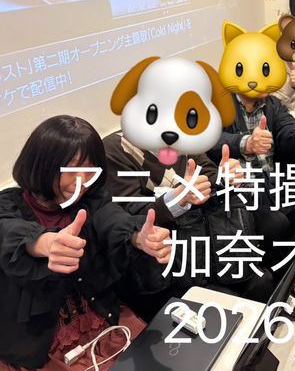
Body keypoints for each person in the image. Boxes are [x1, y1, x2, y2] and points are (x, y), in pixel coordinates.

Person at [0, 115, 172, 370]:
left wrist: (139, 238)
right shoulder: (9, 204)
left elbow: (112, 219)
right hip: (43, 340)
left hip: (101, 317)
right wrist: (45, 244)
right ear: (42, 165)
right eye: (71, 169)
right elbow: (9, 233)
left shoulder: (90, 200)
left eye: (90, 169)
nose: (82, 180)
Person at [103, 131, 276, 311]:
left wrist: (224, 177)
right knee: (227, 301)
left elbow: (208, 173)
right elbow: (129, 216)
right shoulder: (116, 150)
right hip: (168, 260)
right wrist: (176, 199)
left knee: (261, 282)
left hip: (208, 239)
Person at [208, 91, 295, 283]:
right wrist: (246, 143)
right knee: (277, 221)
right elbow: (208, 138)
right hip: (241, 186)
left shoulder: (271, 103)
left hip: (272, 178)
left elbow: (287, 129)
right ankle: (283, 273)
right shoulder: (219, 103)